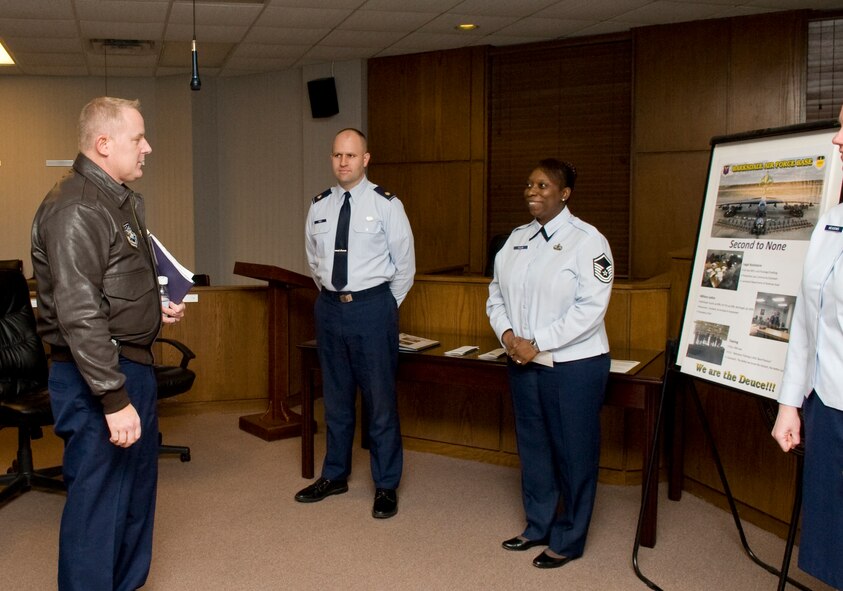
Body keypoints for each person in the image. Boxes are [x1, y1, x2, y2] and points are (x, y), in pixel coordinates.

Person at [31, 96, 186, 591]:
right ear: (103, 144)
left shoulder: (113, 200)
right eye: (138, 138)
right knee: (98, 509)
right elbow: (79, 313)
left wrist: (151, 308)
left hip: (128, 367)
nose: (148, 147)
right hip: (99, 377)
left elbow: (107, 286)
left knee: (133, 498)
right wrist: (113, 398)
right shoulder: (77, 206)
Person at [486, 159, 614, 569]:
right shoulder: (516, 239)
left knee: (574, 452)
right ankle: (538, 525)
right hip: (522, 361)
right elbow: (495, 294)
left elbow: (590, 309)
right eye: (529, 184)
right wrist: (508, 337)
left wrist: (537, 343)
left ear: (565, 193)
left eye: (543, 185)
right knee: (535, 448)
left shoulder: (588, 241)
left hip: (573, 366)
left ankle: (569, 538)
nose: (532, 191)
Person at [297, 128, 415, 519]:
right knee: (335, 399)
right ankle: (335, 475)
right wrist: (335, 297)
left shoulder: (386, 205)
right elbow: (314, 261)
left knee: (380, 402)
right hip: (330, 309)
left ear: (365, 159)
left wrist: (383, 306)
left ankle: (386, 485)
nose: (343, 162)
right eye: (337, 155)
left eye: (350, 155)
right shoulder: (319, 205)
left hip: (372, 309)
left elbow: (404, 266)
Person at [771, 108, 843, 591]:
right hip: (828, 407)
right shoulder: (831, 222)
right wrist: (789, 403)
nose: (837, 139)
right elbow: (806, 321)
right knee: (833, 539)